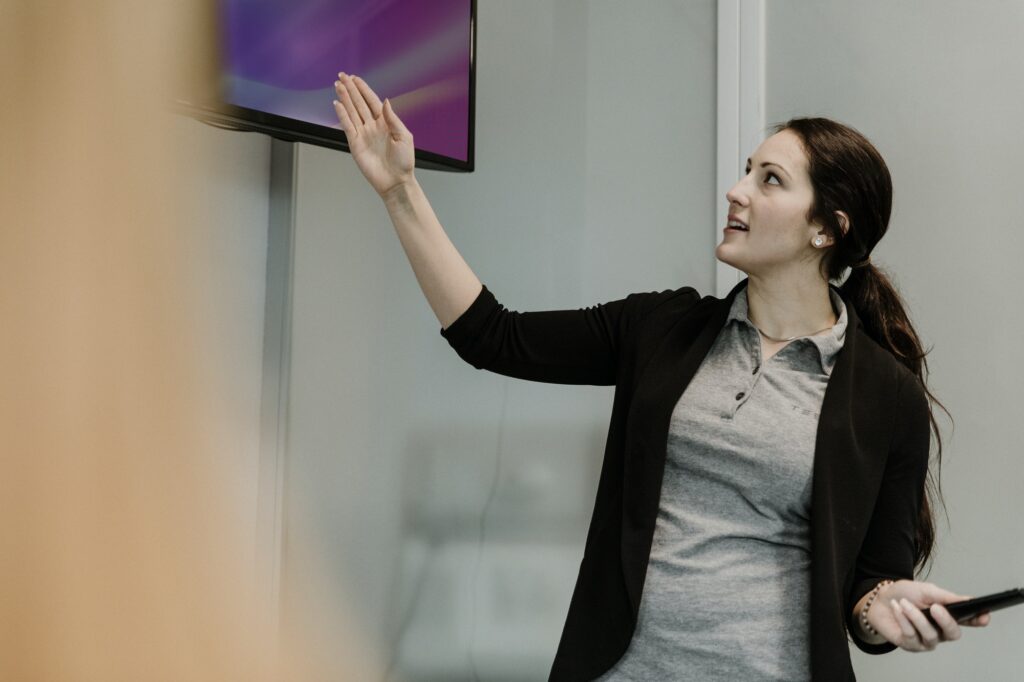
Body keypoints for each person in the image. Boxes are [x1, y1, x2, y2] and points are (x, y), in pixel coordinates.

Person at [331, 73, 991, 681]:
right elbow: (493, 336)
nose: (737, 191)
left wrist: (894, 606)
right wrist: (401, 191)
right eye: (745, 172)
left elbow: (867, 598)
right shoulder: (661, 329)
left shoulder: (886, 395)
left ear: (826, 228)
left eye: (770, 180)